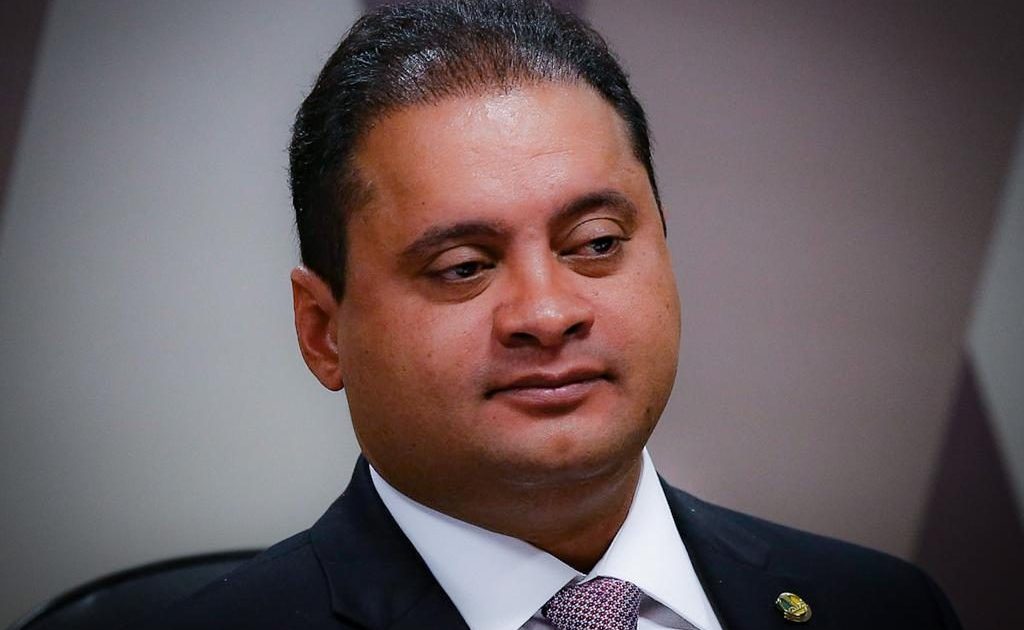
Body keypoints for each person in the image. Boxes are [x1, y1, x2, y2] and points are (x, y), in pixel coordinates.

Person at [142, 1, 962, 628]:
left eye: (597, 243)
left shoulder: (882, 606)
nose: (546, 312)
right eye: (463, 267)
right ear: (323, 332)